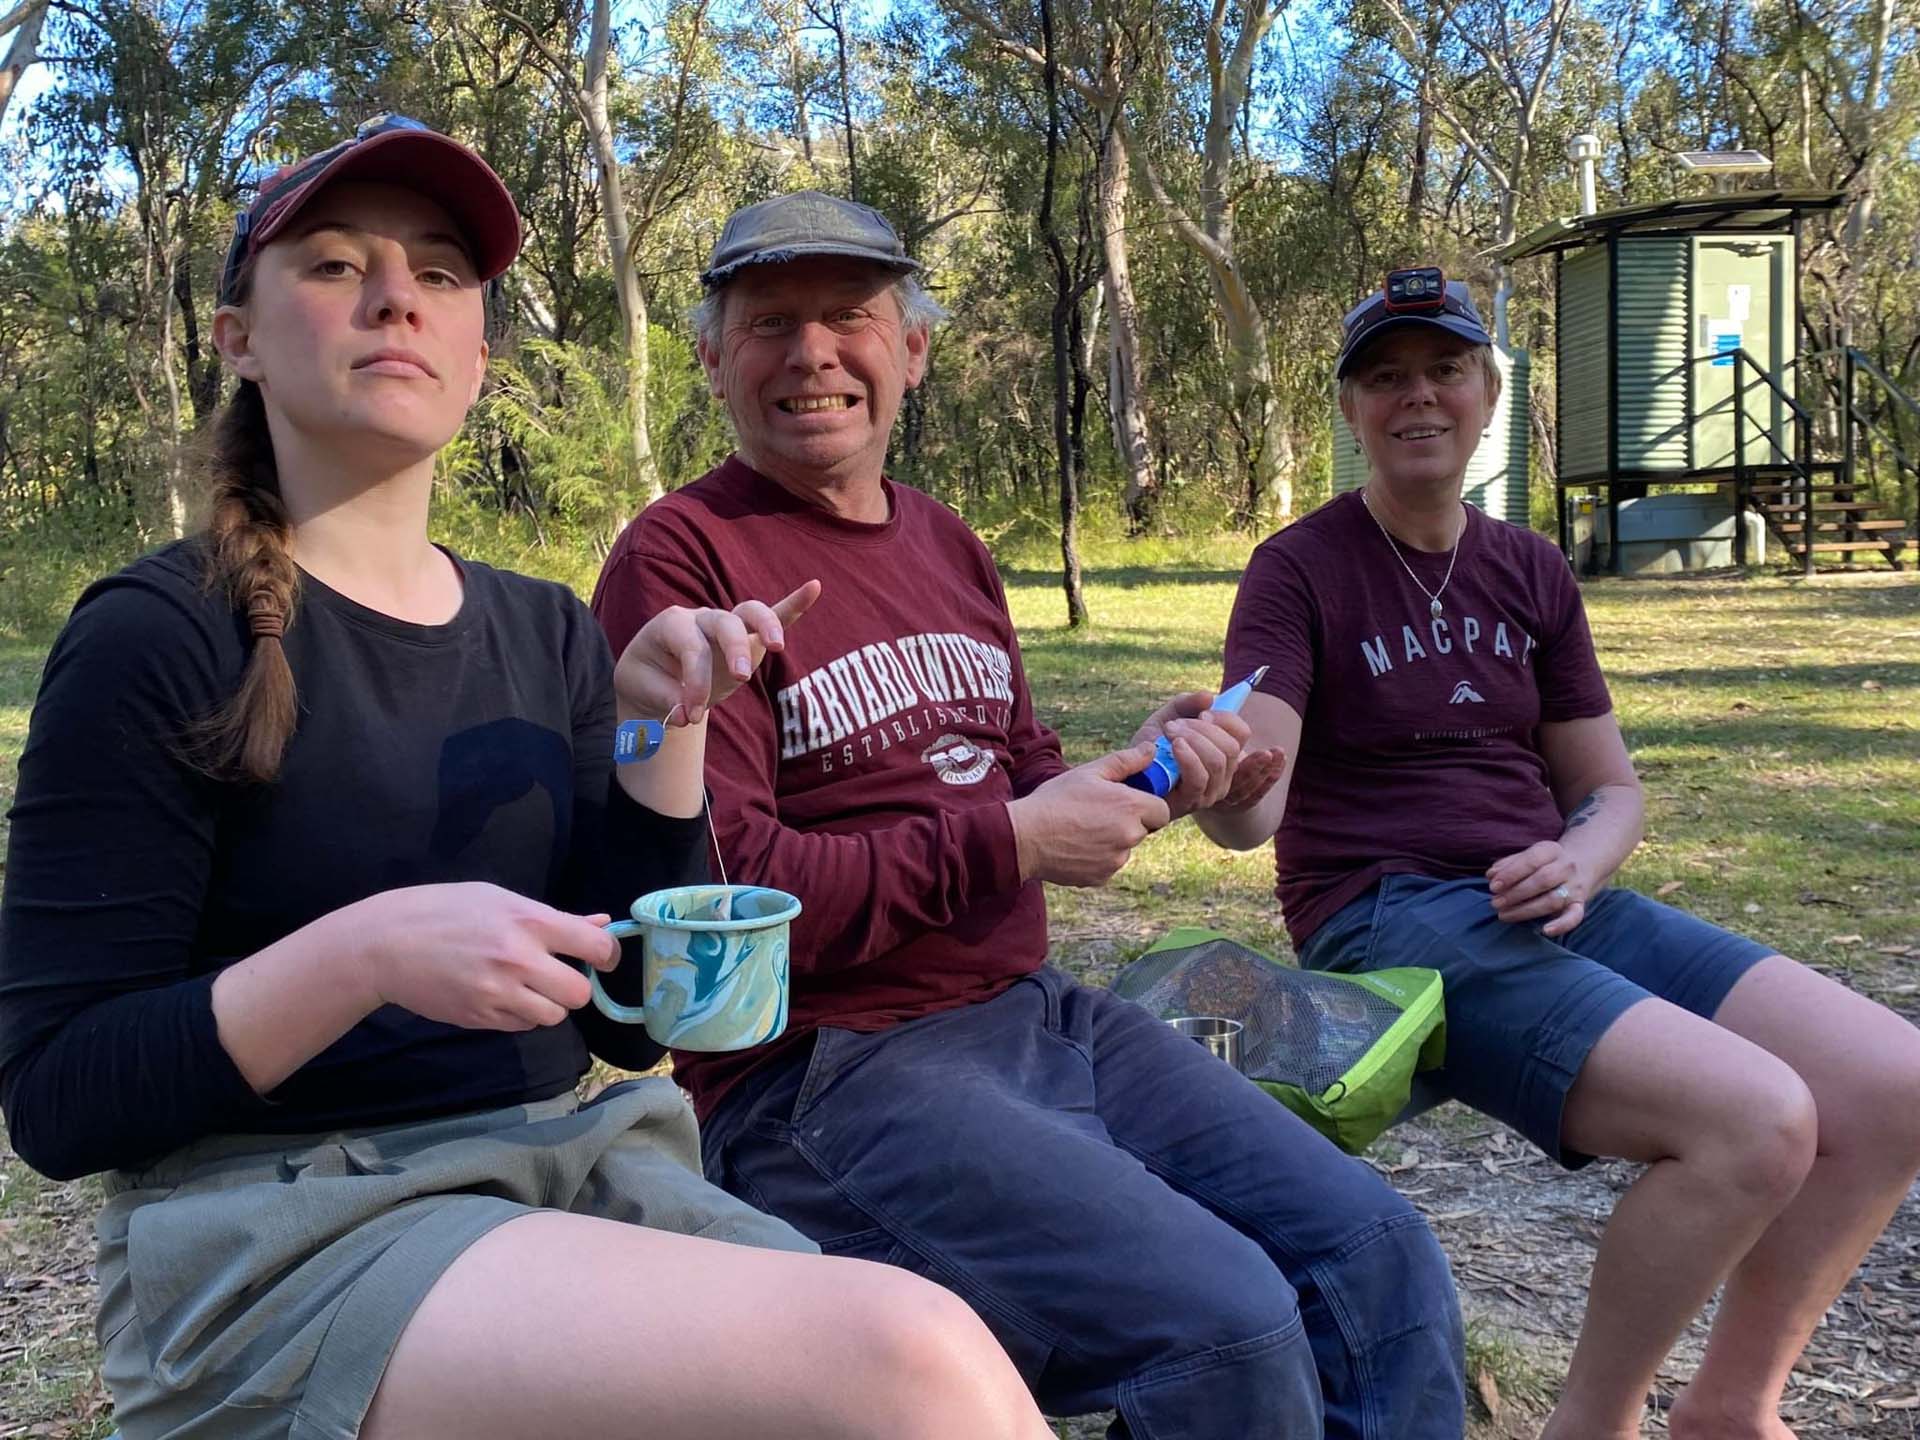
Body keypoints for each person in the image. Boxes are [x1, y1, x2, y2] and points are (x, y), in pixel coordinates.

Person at [0, 121, 1058, 1440]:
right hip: (288, 1232)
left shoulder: (547, 630)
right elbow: (57, 1096)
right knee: (902, 1360)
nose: (397, 296)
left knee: (944, 1369)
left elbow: (633, 1025)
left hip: (567, 1171)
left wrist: (660, 733)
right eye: (335, 266)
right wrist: (367, 954)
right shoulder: (157, 636)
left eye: (441, 275)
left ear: (479, 354)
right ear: (238, 341)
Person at [590, 190, 1467, 1440]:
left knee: (1381, 1259)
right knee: (1225, 1327)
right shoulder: (681, 563)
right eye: (770, 321)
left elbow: (1012, 773)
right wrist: (1014, 839)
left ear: (916, 350)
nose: (813, 354)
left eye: (851, 317)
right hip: (824, 1076)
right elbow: (725, 907)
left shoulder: (948, 542)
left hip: (1036, 1016)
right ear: (712, 358)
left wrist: (1151, 770)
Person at [1202, 270, 1920, 1440]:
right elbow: (1252, 807)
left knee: (1894, 1086)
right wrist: (1223, 784)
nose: (1417, 396)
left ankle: (1732, 1405)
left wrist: (1583, 860)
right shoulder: (1301, 567)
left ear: (1488, 391)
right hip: (1387, 915)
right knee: (1758, 1123)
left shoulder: (1530, 568)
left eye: (1443, 370)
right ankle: (1593, 1425)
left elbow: (1611, 792)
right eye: (1385, 378)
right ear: (1351, 411)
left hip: (1553, 894)